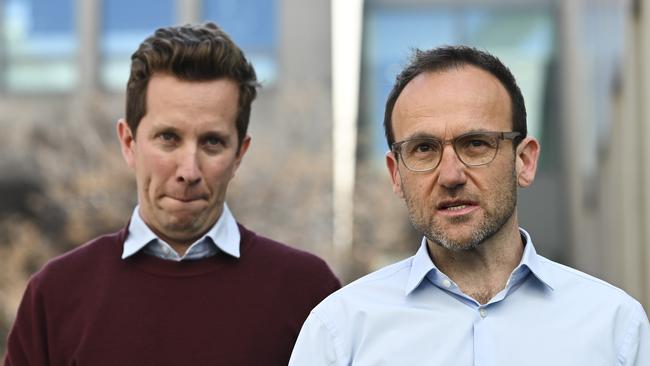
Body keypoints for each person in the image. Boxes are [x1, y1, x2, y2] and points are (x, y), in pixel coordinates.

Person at [4, 23, 340, 366]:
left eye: (212, 142)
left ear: (240, 153)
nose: (188, 170)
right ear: (128, 142)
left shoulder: (307, 292)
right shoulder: (56, 293)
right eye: (168, 138)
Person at [289, 46, 649, 365]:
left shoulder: (615, 327)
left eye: (475, 143)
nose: (450, 175)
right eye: (424, 149)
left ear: (524, 161)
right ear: (396, 174)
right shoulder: (339, 334)